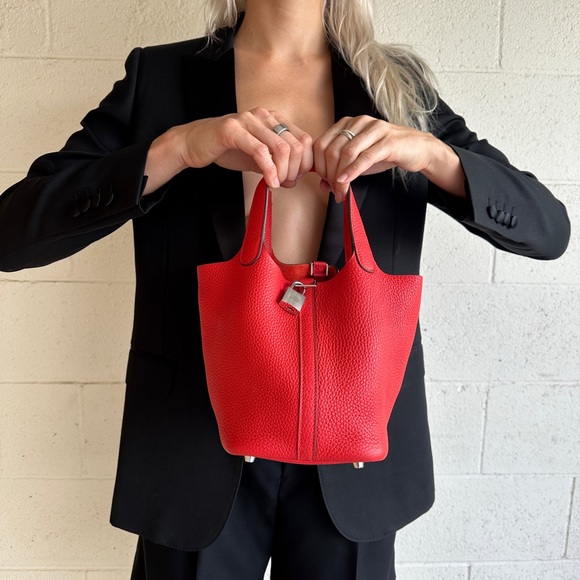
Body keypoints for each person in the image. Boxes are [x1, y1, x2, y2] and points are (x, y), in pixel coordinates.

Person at [0, 0, 571, 578]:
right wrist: (179, 148)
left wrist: (430, 155)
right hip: (195, 440)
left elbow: (547, 231)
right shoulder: (162, 78)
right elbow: (13, 234)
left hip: (355, 446)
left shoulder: (395, 86)